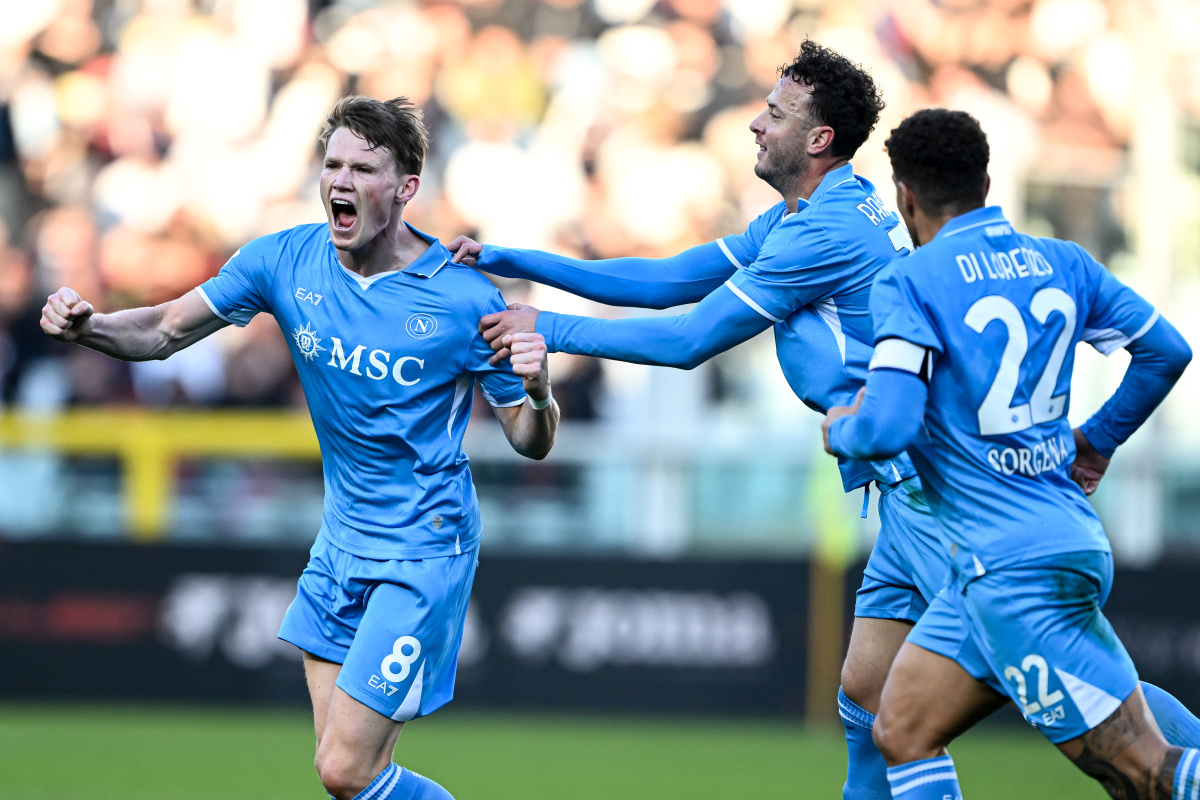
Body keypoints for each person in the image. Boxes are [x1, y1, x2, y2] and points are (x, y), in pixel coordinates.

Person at [457, 43, 1200, 798]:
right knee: (870, 701)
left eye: (774, 115)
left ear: (817, 139)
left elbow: (686, 340)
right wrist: (519, 261)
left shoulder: (825, 233)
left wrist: (548, 328)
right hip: (906, 492)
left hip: (932, 490)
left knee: (1069, 696)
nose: (755, 124)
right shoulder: (817, 211)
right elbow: (667, 281)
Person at [40, 96, 560, 800]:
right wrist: (90, 327)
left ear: (405, 188)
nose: (341, 181)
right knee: (348, 779)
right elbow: (163, 329)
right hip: (340, 540)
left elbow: (530, 441)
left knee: (346, 769)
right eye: (333, 164)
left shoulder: (465, 299)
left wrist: (538, 393)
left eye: (364, 170)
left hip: (423, 547)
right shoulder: (283, 259)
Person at [822, 107, 1195, 799]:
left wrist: (842, 427)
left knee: (1144, 774)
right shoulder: (1063, 261)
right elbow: (1165, 352)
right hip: (1054, 540)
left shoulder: (912, 281)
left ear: (905, 196)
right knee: (900, 727)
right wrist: (1098, 439)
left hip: (1011, 568)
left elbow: (886, 429)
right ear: (987, 182)